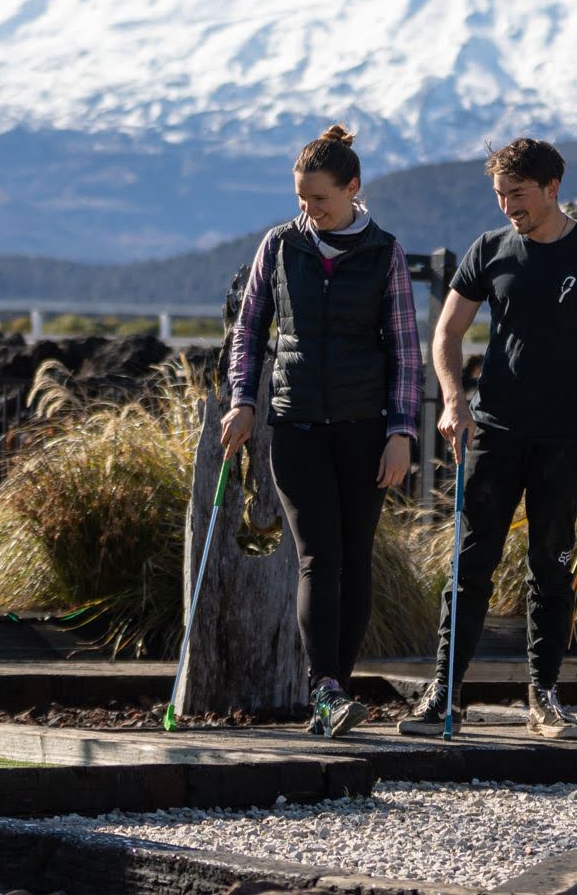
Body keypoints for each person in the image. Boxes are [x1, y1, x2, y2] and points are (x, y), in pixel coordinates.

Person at [396, 139, 577, 739]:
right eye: (501, 195)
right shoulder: (491, 250)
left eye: (519, 195)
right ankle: (443, 694)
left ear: (553, 186)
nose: (509, 207)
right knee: (470, 564)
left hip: (565, 440)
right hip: (494, 433)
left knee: (550, 567)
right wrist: (454, 403)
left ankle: (546, 697)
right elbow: (446, 335)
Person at [222, 124, 422, 737]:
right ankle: (327, 690)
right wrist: (243, 402)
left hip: (365, 431)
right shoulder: (281, 246)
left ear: (353, 189)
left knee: (354, 558)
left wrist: (402, 432)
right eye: (302, 200)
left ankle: (339, 681)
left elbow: (405, 350)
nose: (309, 212)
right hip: (296, 423)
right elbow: (250, 329)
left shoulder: (384, 252)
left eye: (321, 201)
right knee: (318, 556)